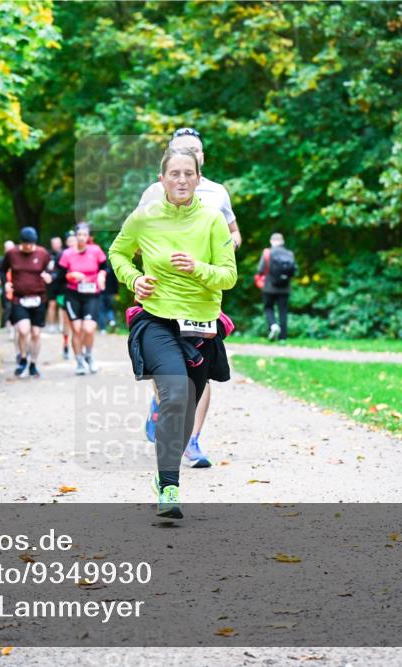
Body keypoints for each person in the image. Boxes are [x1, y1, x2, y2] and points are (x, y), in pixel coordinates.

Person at [109, 147, 237, 518]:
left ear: (199, 179)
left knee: (185, 410)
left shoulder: (212, 220)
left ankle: (168, 469)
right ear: (162, 179)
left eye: (188, 174)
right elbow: (117, 254)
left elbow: (228, 276)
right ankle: (169, 486)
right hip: (157, 320)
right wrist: (135, 279)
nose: (181, 180)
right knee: (175, 393)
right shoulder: (144, 218)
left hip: (200, 326)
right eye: (174, 174)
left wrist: (198, 267)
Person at [138, 128, 240, 468]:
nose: (187, 156)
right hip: (163, 294)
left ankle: (192, 441)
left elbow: (233, 233)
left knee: (202, 367)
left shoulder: (217, 193)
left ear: (202, 158)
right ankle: (164, 404)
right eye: (179, 151)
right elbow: (135, 238)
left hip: (203, 290)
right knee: (166, 368)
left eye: (193, 151)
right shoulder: (155, 192)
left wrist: (224, 248)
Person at [0, 227, 53, 378]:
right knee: (23, 331)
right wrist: (5, 283)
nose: (28, 247)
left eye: (31, 244)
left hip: (39, 299)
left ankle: (33, 364)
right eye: (25, 244)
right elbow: (2, 270)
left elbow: (52, 270)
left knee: (36, 333)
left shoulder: (43, 253)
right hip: (19, 298)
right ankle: (23, 358)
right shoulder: (12, 254)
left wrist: (50, 277)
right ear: (20, 242)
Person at [57, 222, 107, 374]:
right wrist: (71, 275)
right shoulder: (67, 254)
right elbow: (59, 277)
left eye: (85, 235)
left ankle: (89, 356)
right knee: (77, 330)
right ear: (75, 236)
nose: (81, 237)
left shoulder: (96, 251)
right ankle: (79, 362)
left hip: (92, 294)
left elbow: (105, 268)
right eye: (79, 235)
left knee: (89, 328)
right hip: (73, 295)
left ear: (89, 237)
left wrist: (101, 276)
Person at [257, 232, 296, 341]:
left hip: (269, 287)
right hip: (285, 288)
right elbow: (293, 271)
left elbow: (260, 269)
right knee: (283, 311)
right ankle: (283, 338)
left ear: (271, 241)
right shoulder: (289, 253)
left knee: (268, 307)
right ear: (282, 241)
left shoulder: (267, 252)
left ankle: (273, 325)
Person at [57, 231, 77, 360]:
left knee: (77, 323)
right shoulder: (61, 256)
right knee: (66, 321)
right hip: (64, 292)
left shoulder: (84, 254)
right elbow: (57, 276)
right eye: (69, 241)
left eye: (73, 241)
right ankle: (65, 344)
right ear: (66, 243)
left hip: (81, 294)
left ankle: (79, 348)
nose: (72, 244)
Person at [45, 236, 65, 333]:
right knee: (52, 304)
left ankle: (61, 325)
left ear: (61, 243)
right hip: (51, 285)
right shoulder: (48, 255)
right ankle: (51, 325)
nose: (56, 245)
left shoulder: (65, 253)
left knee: (62, 305)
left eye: (58, 243)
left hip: (62, 284)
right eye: (54, 243)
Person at [0, 240, 14, 330]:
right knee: (6, 306)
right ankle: (5, 324)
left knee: (12, 306)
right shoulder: (0, 261)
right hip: (4, 287)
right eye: (7, 248)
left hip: (17, 287)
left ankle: (11, 324)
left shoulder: (18, 259)